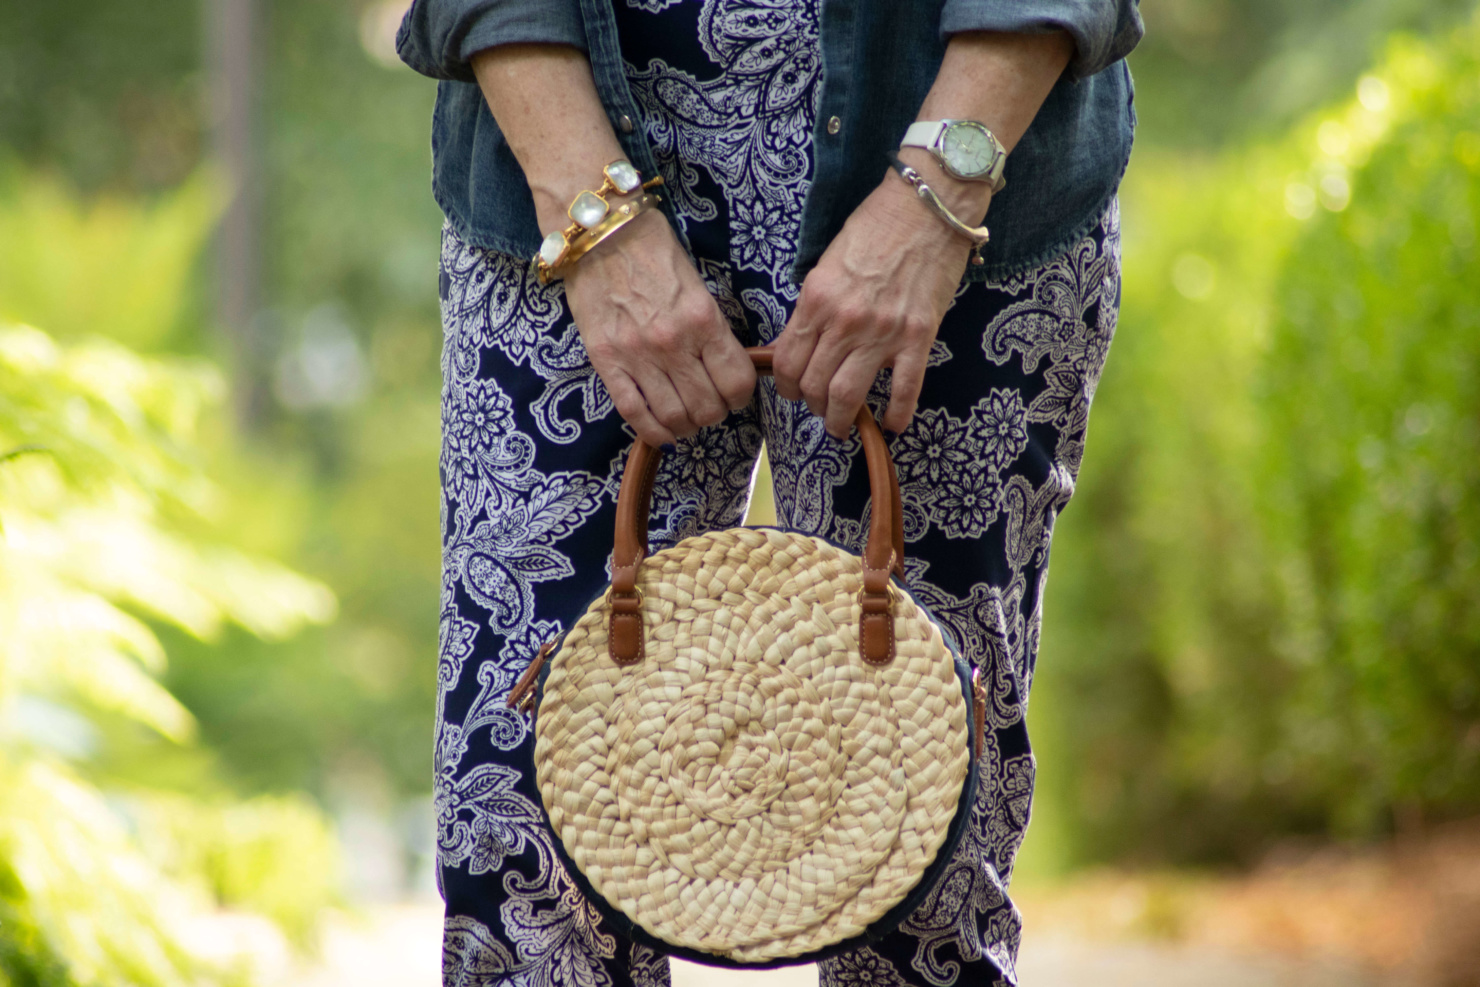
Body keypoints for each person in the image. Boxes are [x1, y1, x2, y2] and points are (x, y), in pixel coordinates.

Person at [397, 0, 1141, 983]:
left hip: (967, 183)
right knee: (528, 836)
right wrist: (592, 212)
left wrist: (937, 192)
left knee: (917, 839)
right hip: (560, 178)